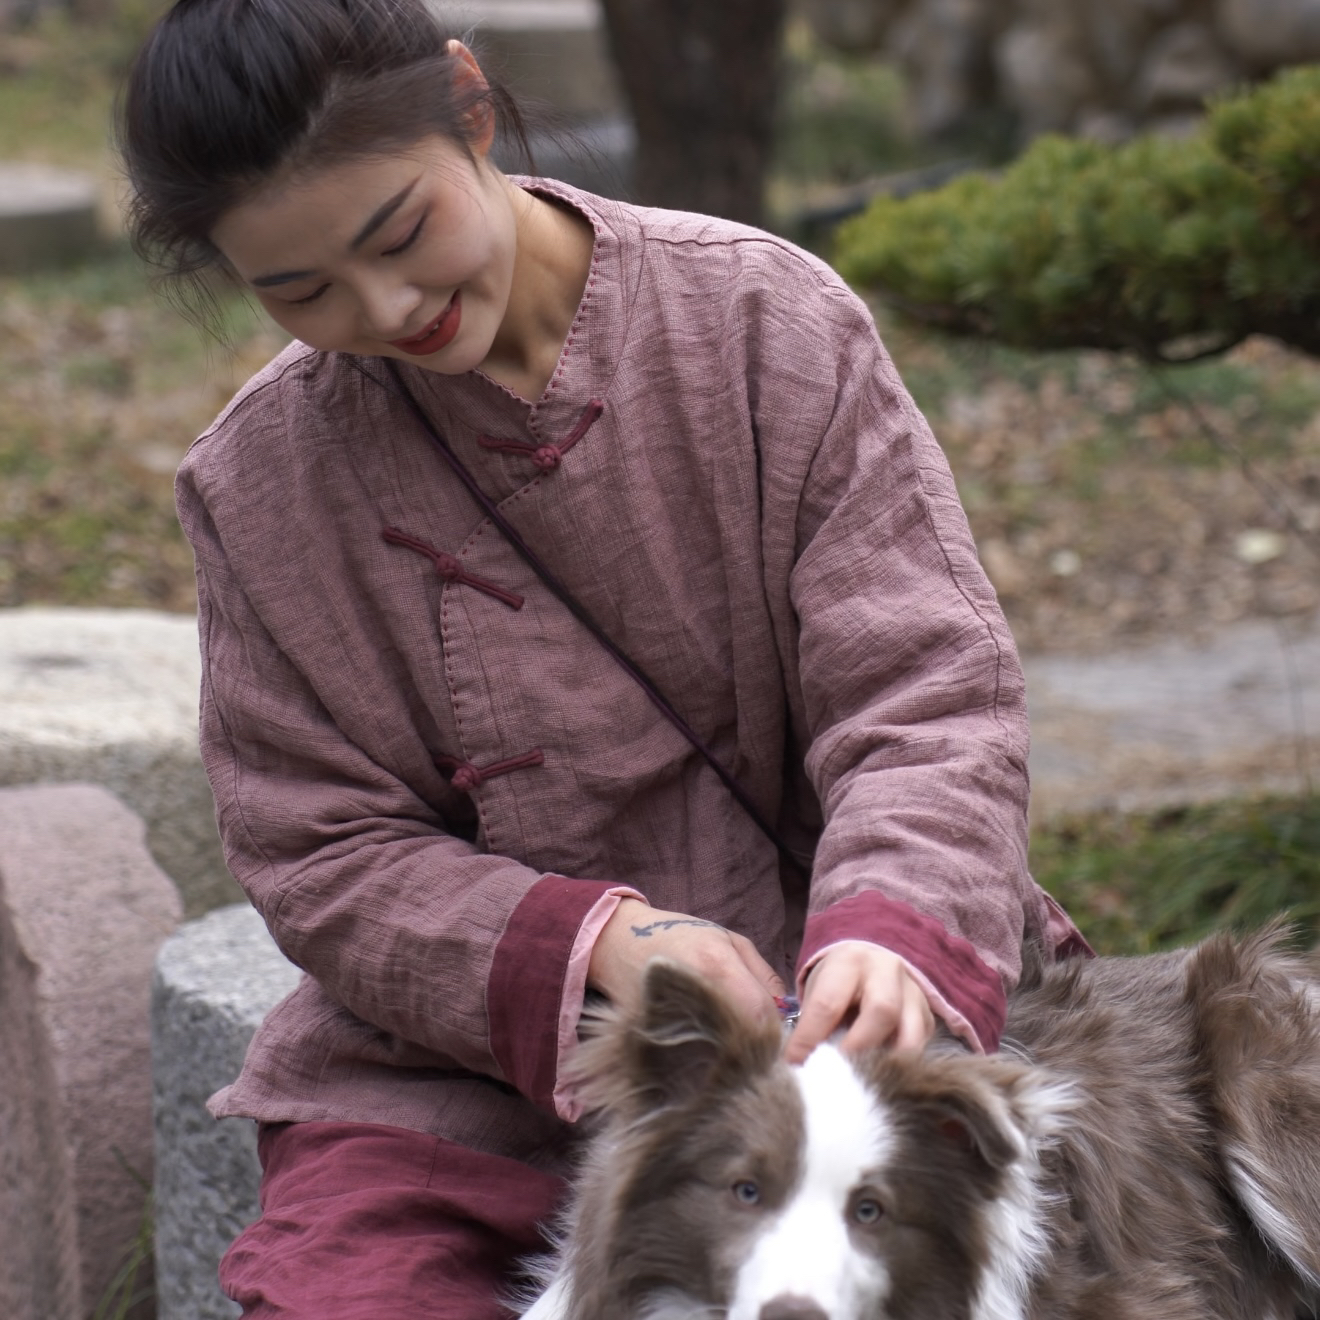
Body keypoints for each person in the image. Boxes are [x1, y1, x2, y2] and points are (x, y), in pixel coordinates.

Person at [119, 1, 1088, 1315]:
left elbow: (925, 700)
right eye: (298, 290)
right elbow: (322, 848)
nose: (386, 306)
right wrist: (590, 943)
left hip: (836, 1031)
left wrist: (891, 932)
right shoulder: (257, 486)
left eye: (400, 233)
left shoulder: (767, 324)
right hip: (462, 1085)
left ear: (469, 107)